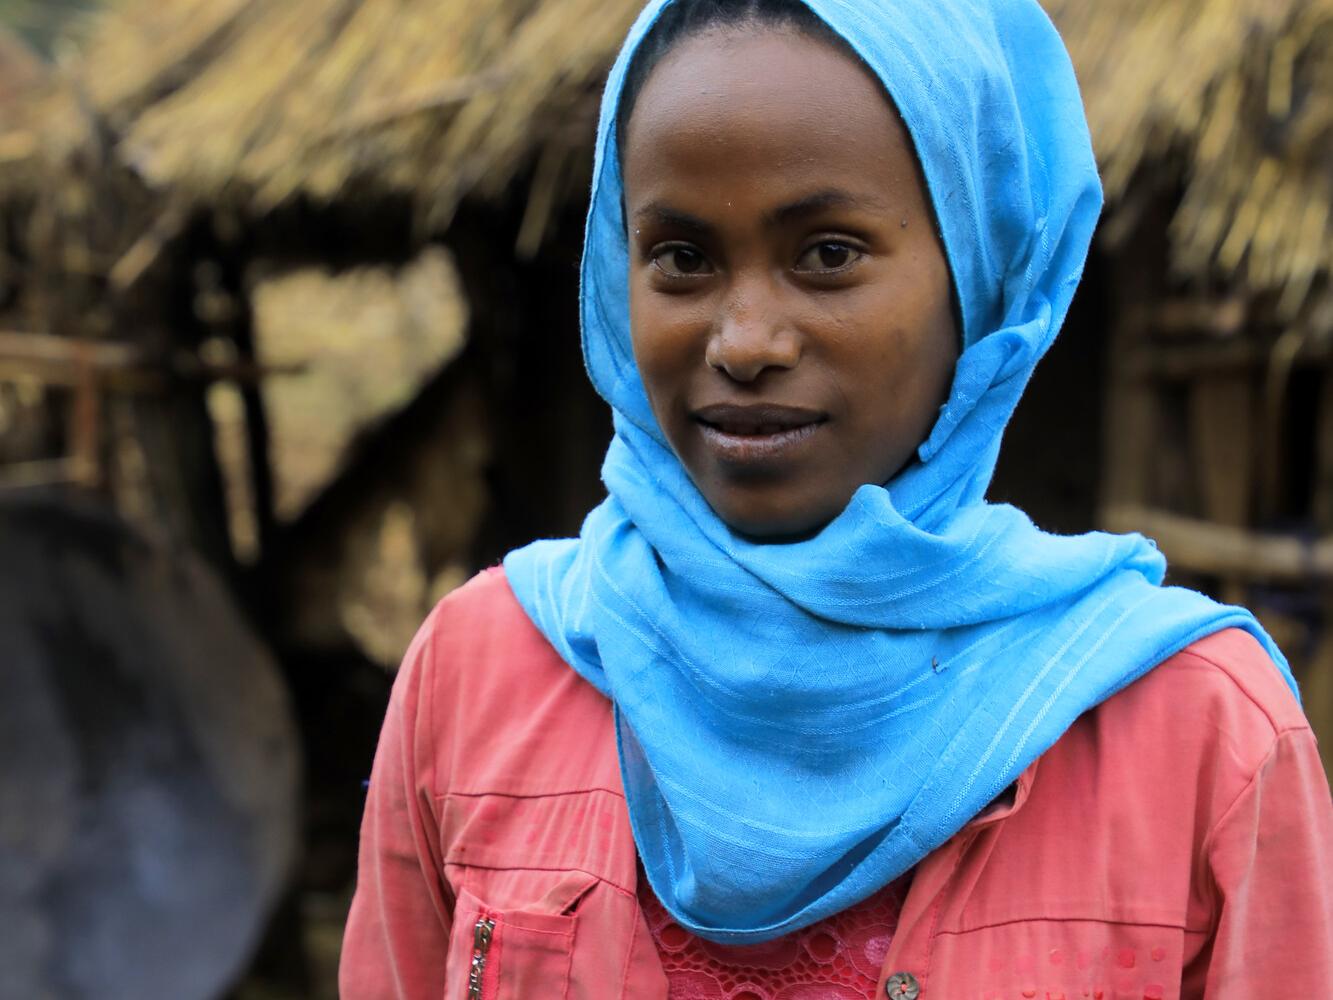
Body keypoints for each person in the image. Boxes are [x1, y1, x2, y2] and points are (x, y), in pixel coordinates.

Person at [340, 0, 1333, 996]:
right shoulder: (477, 672)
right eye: (681, 259)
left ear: (979, 285)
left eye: (827, 254)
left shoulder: (1198, 731)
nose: (744, 340)